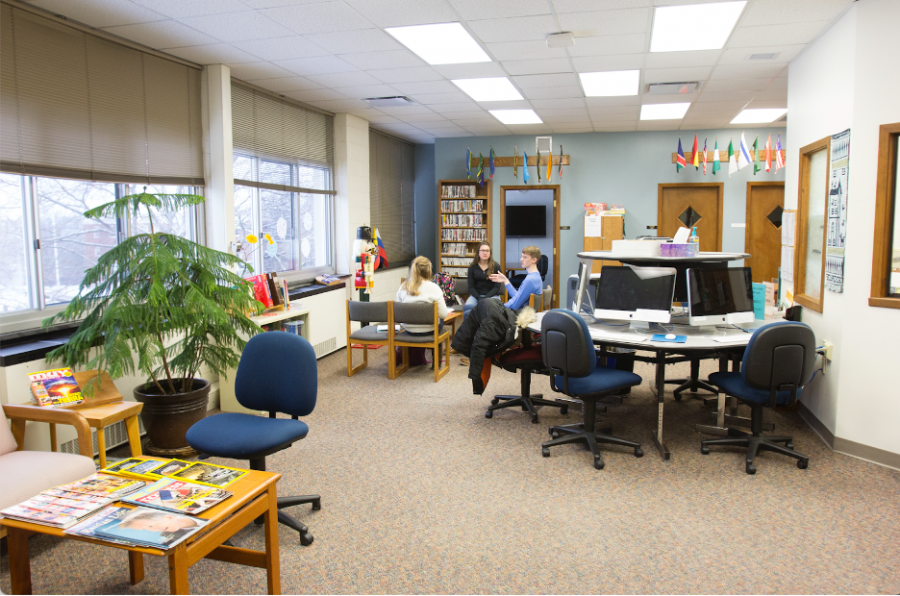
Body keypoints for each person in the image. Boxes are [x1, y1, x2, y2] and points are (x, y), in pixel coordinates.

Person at [451, 299, 537, 395]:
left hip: (488, 310)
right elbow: (478, 347)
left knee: (484, 344)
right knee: (481, 346)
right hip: (485, 317)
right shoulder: (493, 326)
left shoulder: (507, 323)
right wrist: (476, 379)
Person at [396, 256, 449, 334]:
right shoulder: (434, 288)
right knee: (440, 319)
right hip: (430, 330)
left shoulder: (403, 287)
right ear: (428, 271)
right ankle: (437, 346)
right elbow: (443, 314)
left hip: (409, 331)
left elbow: (398, 313)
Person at [489, 245, 543, 311]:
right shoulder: (536, 277)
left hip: (515, 314)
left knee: (486, 305)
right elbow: (518, 297)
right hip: (516, 311)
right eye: (522, 256)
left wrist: (501, 306)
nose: (521, 259)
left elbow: (515, 306)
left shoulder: (530, 280)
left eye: (525, 257)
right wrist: (505, 280)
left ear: (534, 260)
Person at [464, 242, 503, 319]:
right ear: (478, 252)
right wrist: (478, 297)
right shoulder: (472, 267)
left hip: (492, 295)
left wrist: (486, 297)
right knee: (467, 308)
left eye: (487, 250)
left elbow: (496, 287)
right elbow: (471, 287)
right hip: (476, 296)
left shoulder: (496, 266)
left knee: (493, 311)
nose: (485, 253)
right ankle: (469, 330)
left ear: (490, 253)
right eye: (482, 250)